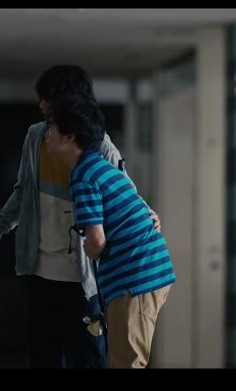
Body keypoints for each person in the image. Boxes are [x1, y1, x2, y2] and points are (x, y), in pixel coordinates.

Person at [0, 65, 160, 369]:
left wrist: (146, 213)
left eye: (47, 98)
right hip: (39, 273)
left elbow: (123, 190)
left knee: (88, 358)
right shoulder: (36, 137)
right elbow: (23, 191)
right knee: (42, 358)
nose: (41, 105)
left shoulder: (101, 146)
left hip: (83, 280)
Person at [44, 95, 175, 369]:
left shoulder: (83, 175)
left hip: (134, 279)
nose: (47, 134)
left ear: (69, 136)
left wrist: (88, 249)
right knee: (122, 360)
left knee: (126, 363)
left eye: (51, 127)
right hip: (144, 273)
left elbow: (96, 241)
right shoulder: (99, 167)